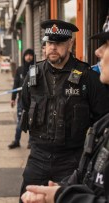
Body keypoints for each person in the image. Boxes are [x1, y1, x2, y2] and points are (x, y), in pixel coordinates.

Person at [21, 15, 109, 203]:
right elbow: (25, 105)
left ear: (70, 44)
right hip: (37, 158)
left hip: (70, 161)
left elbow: (102, 118)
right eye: (49, 42)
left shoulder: (88, 77)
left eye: (59, 43)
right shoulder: (32, 75)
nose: (52, 47)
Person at [8, 48, 34, 149]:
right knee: (20, 122)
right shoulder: (19, 70)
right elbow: (15, 85)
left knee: (32, 122)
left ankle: (31, 142)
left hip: (33, 102)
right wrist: (13, 98)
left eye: (30, 55)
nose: (28, 57)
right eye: (27, 55)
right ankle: (16, 141)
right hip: (21, 102)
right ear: (24, 57)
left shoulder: (35, 69)